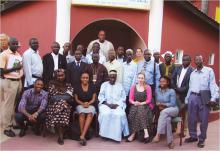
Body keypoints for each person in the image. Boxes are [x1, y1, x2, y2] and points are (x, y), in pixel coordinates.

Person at [184, 55, 219, 148]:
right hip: (192, 97)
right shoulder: (193, 73)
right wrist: (187, 99)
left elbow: (213, 85)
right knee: (191, 119)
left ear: (203, 61)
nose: (198, 61)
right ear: (194, 62)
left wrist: (213, 98)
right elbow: (190, 87)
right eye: (196, 60)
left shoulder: (209, 71)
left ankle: (202, 139)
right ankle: (193, 136)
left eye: (200, 59)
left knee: (204, 120)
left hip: (204, 98)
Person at [0, 37, 23, 137]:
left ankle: (12, 123)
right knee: (7, 105)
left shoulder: (17, 54)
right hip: (9, 81)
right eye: (13, 44)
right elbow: (1, 71)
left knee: (14, 105)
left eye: (16, 44)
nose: (15, 45)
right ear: (9, 44)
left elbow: (19, 68)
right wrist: (15, 68)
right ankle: (6, 127)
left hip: (18, 81)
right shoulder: (4, 54)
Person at [98, 70, 129, 142]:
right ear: (108, 77)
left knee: (119, 114)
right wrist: (107, 104)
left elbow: (123, 97)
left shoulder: (120, 85)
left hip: (117, 105)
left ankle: (116, 136)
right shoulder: (104, 85)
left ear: (116, 77)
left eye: (114, 77)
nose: (112, 79)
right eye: (111, 77)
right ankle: (105, 135)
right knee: (106, 114)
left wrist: (117, 104)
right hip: (105, 104)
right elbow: (101, 96)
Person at [45, 69, 74, 145]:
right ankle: (61, 135)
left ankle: (60, 134)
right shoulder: (52, 84)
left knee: (62, 106)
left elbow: (69, 97)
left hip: (65, 105)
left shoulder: (68, 85)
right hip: (53, 105)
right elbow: (53, 97)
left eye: (62, 75)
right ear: (56, 76)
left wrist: (60, 98)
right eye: (58, 76)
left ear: (65, 76)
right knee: (62, 106)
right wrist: (63, 98)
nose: (60, 77)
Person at [153, 76, 179, 149]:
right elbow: (156, 102)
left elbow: (173, 103)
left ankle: (158, 134)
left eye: (163, 81)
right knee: (167, 120)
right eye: (160, 81)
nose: (161, 83)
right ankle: (170, 142)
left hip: (173, 110)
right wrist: (159, 105)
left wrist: (162, 104)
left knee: (164, 112)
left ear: (167, 83)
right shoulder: (157, 90)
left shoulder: (171, 91)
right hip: (164, 112)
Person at [127, 72, 154, 143]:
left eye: (142, 78)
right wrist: (134, 102)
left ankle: (133, 134)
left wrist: (141, 103)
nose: (140, 79)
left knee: (140, 109)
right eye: (139, 78)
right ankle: (146, 133)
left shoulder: (148, 87)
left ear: (144, 79)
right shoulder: (133, 87)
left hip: (145, 105)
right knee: (134, 112)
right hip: (135, 104)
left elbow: (149, 100)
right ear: (137, 78)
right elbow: (130, 99)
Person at [171, 54, 194, 134]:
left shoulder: (192, 71)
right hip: (176, 94)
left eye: (187, 60)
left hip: (185, 95)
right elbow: (172, 79)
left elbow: (190, 84)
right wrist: (175, 88)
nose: (184, 61)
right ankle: (174, 128)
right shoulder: (178, 68)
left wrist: (181, 90)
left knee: (185, 113)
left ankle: (184, 130)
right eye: (183, 60)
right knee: (175, 110)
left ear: (190, 61)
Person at [74, 72, 96, 146]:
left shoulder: (92, 86)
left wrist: (88, 103)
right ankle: (83, 135)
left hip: (90, 104)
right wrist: (82, 104)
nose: (85, 79)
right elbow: (76, 99)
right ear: (81, 78)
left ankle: (82, 135)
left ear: (89, 79)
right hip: (80, 104)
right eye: (83, 77)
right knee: (82, 114)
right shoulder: (77, 86)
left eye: (86, 78)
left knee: (90, 114)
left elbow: (93, 98)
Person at [122, 49, 137, 113]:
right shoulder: (123, 64)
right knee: (123, 103)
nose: (129, 56)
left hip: (130, 88)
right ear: (125, 55)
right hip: (122, 87)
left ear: (132, 55)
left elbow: (134, 77)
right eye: (128, 55)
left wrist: (132, 88)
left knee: (129, 104)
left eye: (130, 55)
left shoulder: (135, 65)